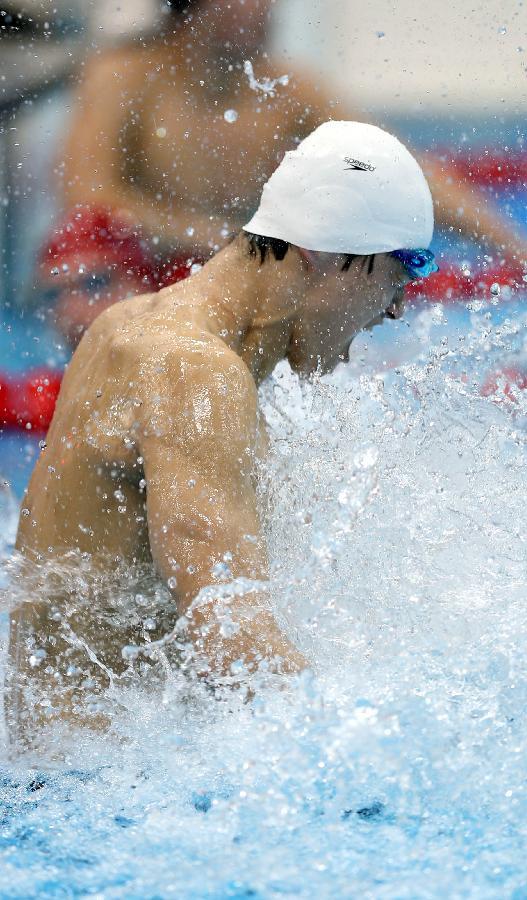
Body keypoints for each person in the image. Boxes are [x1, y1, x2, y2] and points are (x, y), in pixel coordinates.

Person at [5, 120, 440, 756]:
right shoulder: (194, 374)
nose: (400, 305)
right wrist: (391, 744)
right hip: (99, 781)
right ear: (321, 252)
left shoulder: (132, 324)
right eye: (404, 267)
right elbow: (230, 641)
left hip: (68, 755)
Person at [41, 0, 527, 345]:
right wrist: (214, 239)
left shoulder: (287, 89)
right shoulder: (126, 77)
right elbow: (87, 195)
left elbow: (400, 171)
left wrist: (517, 249)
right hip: (146, 284)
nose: (263, 9)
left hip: (236, 281)